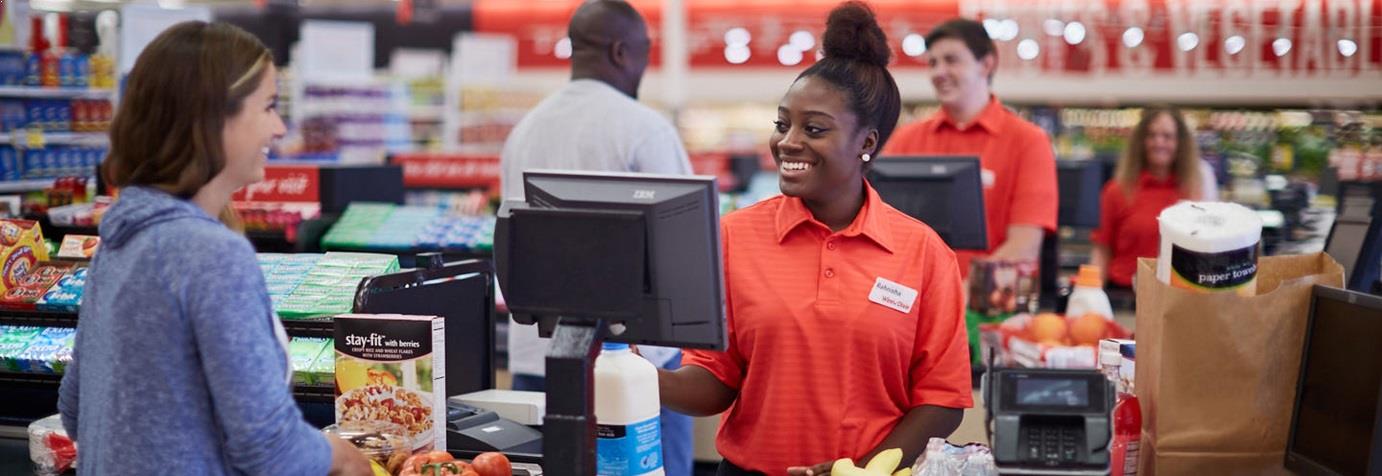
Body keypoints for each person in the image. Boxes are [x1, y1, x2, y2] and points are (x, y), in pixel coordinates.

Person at [660, 3, 971, 474]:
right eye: (783, 124)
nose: (788, 142)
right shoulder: (732, 236)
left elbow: (943, 400)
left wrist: (862, 469)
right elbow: (715, 378)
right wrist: (636, 377)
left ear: (866, 142)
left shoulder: (924, 254)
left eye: (814, 129)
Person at [57, 22, 371, 476]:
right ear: (212, 117)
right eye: (267, 106)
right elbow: (269, 449)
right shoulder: (210, 254)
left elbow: (76, 410)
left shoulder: (121, 239)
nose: (280, 127)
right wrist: (340, 456)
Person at [497, 1, 694, 474]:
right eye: (647, 52)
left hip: (541, 357)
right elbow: (686, 252)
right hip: (636, 362)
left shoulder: (525, 131)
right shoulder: (644, 129)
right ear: (623, 51)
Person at [882, 18, 1058, 275]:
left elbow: (1023, 246)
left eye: (951, 60)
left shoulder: (1029, 141)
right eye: (933, 62)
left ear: (986, 64)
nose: (939, 72)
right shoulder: (905, 139)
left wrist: (954, 294)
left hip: (986, 305)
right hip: (909, 297)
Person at [1091, 106, 1208, 289]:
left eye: (1167, 136)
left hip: (1175, 296)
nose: (1158, 142)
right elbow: (1102, 249)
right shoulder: (1116, 191)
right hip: (1125, 298)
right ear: (1141, 142)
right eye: (1152, 135)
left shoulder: (1192, 193)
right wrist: (1091, 295)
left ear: (1180, 144)